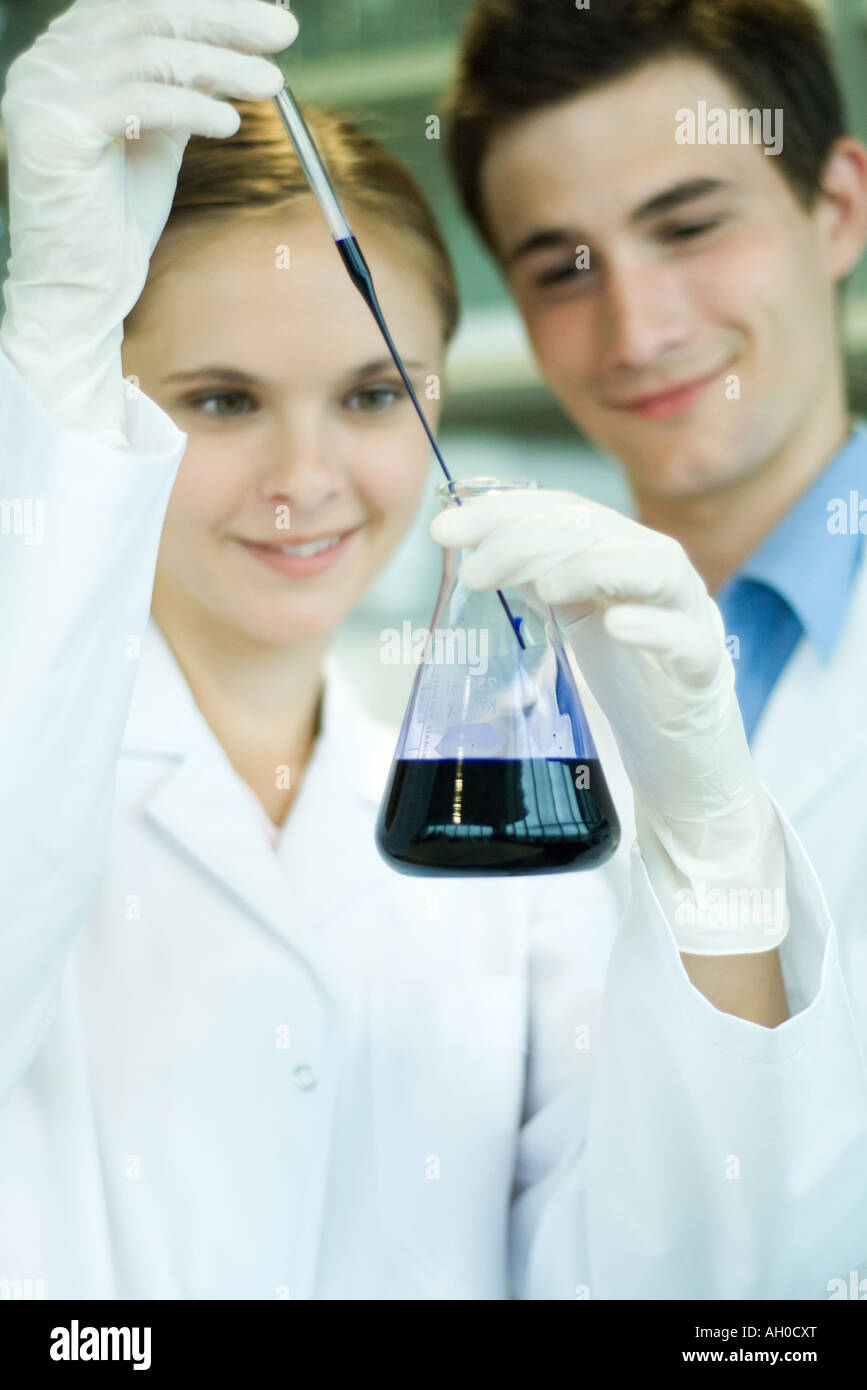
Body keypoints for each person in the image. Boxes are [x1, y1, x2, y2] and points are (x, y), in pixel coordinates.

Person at [0, 0, 864, 1302]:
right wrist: (50, 357)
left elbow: (684, 1290)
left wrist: (708, 834)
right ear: (106, 405)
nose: (305, 478)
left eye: (371, 393)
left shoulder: (505, 847)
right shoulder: (39, 778)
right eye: (220, 399)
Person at [446, 0, 867, 962]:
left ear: (835, 211)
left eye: (687, 227)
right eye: (562, 271)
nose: (636, 332)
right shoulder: (499, 706)